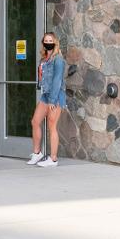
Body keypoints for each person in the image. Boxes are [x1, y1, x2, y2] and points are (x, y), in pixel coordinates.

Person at [26, 32, 67, 168]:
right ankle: (37, 153)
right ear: (43, 43)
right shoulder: (43, 59)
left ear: (55, 42)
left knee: (51, 126)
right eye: (46, 40)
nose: (48, 42)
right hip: (45, 95)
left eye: (50, 40)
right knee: (35, 121)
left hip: (55, 96)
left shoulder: (58, 60)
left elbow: (57, 80)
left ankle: (53, 159)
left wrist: (52, 100)